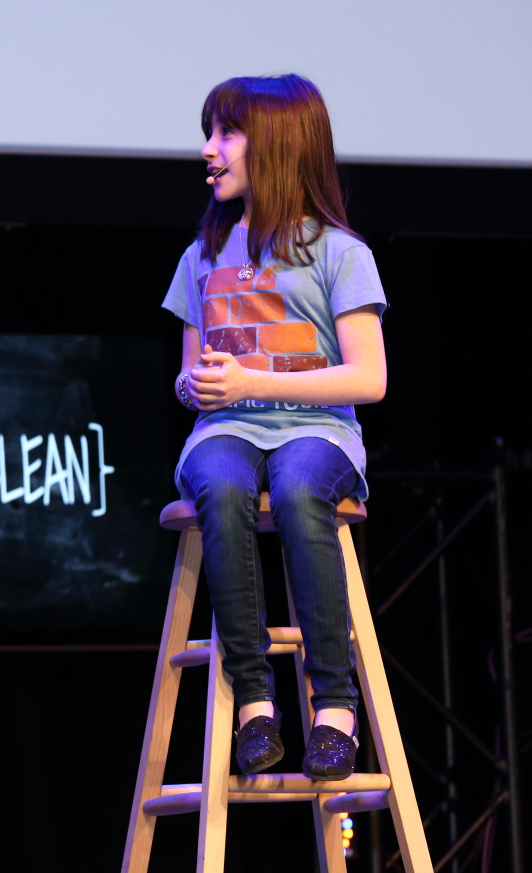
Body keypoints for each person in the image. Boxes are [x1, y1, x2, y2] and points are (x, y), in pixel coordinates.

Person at [162, 75, 388, 780]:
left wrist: (254, 382)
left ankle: (334, 707)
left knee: (296, 490)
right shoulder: (202, 255)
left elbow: (369, 378)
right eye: (209, 133)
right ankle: (255, 705)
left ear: (279, 144)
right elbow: (190, 375)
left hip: (317, 430)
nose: (209, 149)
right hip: (226, 430)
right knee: (221, 486)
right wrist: (194, 385)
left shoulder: (339, 253)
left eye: (226, 133)